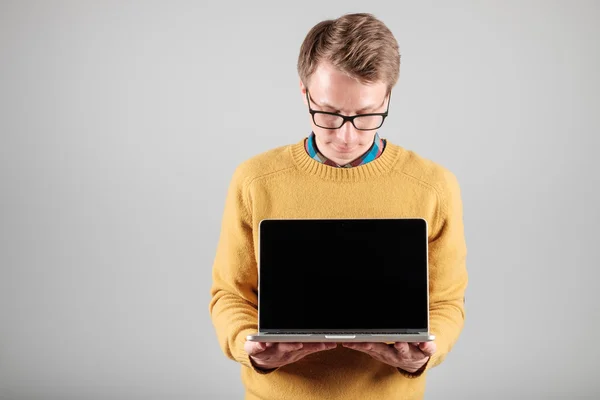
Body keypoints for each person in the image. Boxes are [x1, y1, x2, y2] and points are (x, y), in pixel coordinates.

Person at [209, 12, 468, 400]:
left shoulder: (433, 186)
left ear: (388, 97)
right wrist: (251, 348)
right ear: (304, 93)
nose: (346, 136)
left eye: (366, 116)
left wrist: (426, 355)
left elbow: (447, 301)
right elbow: (229, 295)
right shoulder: (254, 180)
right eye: (328, 113)